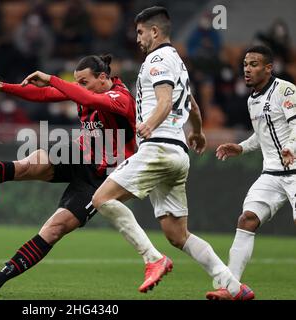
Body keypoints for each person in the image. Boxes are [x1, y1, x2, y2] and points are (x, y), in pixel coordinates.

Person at [0, 55, 137, 298]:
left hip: (103, 176)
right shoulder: (87, 90)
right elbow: (44, 95)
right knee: (28, 164)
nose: (79, 86)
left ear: (103, 78)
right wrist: (3, 87)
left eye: (83, 81)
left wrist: (52, 79)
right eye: (77, 82)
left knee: (54, 229)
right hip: (78, 154)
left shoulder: (121, 98)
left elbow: (86, 97)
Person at [90, 7, 255, 300]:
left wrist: (149, 125)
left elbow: (165, 101)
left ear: (154, 32)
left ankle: (152, 258)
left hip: (158, 148)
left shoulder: (157, 59)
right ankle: (233, 286)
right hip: (177, 155)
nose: (137, 38)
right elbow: (190, 103)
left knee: (101, 199)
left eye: (141, 32)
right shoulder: (178, 62)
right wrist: (198, 132)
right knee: (177, 235)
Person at [210, 46, 296, 298]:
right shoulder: (252, 100)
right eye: (246, 63)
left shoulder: (286, 90)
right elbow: (261, 137)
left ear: (269, 68)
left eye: (255, 64)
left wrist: (291, 146)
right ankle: (231, 288)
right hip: (271, 174)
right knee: (247, 219)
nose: (247, 68)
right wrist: (240, 147)